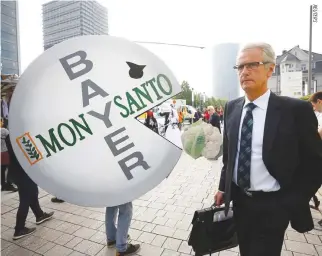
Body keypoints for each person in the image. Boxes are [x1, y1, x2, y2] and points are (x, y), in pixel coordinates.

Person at [214, 42, 322, 256]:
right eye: (240, 67)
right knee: (246, 250)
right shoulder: (232, 108)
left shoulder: (295, 110)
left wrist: (291, 201)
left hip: (274, 204)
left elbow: (315, 163)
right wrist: (223, 188)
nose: (244, 72)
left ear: (270, 69)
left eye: (252, 65)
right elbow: (230, 155)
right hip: (240, 201)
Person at [5, 134, 54, 240]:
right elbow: (30, 154)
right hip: (24, 172)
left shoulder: (10, 135)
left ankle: (39, 215)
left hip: (16, 172)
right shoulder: (20, 135)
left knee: (32, 192)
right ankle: (19, 229)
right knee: (25, 199)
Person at [1, 119, 17, 192]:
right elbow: (10, 140)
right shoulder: (4, 130)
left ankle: (3, 185)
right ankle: (9, 184)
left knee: (2, 169)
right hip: (5, 151)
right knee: (10, 167)